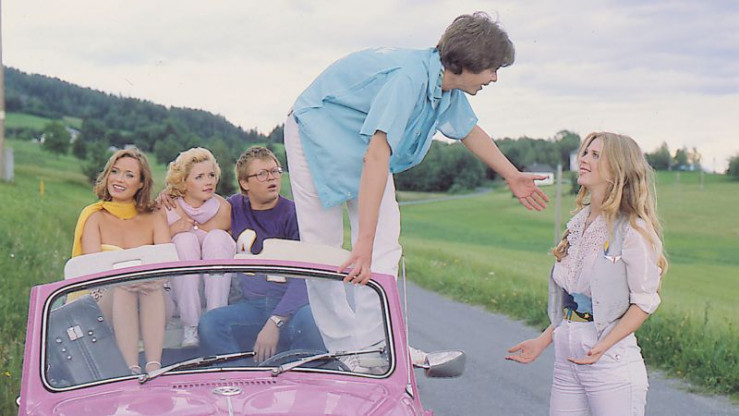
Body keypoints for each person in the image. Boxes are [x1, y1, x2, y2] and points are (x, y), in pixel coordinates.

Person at [284, 11, 549, 362]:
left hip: (362, 142)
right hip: (315, 129)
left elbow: (468, 130)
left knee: (385, 242)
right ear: (468, 61)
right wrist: (362, 242)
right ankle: (343, 348)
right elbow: (377, 156)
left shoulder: (445, 85)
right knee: (323, 244)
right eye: (492, 68)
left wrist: (512, 174)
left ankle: (373, 346)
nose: (495, 78)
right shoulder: (408, 79)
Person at [505, 132, 668, 416]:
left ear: (617, 169)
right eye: (585, 153)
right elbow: (576, 300)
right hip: (567, 361)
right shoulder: (579, 223)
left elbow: (644, 301)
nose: (583, 159)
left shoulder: (632, 229)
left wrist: (603, 346)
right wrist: (543, 341)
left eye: (595, 155)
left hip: (610, 364)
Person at [198, 146, 325, 364]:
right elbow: (194, 207)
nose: (272, 178)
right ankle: (243, 377)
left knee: (312, 320)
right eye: (262, 174)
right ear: (244, 183)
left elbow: (306, 276)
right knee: (210, 324)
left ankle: (295, 376)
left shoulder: (294, 214)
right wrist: (168, 196)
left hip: (292, 308)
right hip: (252, 306)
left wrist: (276, 320)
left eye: (275, 171)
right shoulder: (233, 207)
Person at [72, 148, 171, 374]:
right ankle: (131, 369)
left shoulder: (155, 217)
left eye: (129, 175)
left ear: (141, 183)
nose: (119, 179)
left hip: (152, 295)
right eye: (115, 172)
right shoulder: (94, 216)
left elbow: (167, 266)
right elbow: (94, 272)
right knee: (124, 283)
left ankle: (154, 366)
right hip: (105, 297)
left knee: (149, 284)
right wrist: (129, 279)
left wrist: (146, 279)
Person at [161, 147, 235, 348]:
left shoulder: (223, 207)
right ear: (183, 182)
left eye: (211, 175)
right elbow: (155, 245)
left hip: (216, 283)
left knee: (217, 237)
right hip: (180, 287)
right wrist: (173, 230)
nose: (208, 181)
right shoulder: (167, 206)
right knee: (184, 240)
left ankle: (215, 322)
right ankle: (190, 326)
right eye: (199, 177)